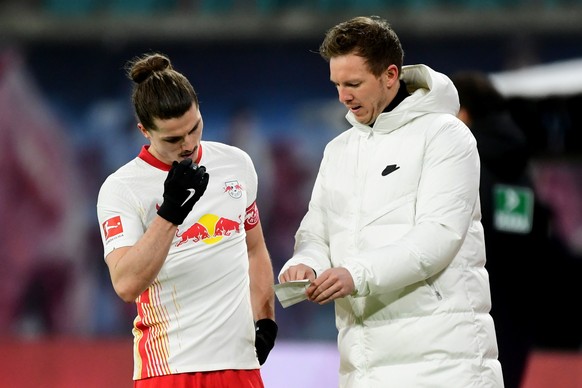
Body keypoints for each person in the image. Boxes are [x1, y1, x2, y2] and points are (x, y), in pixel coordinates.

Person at [278, 16, 504, 387]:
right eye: (336, 84)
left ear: (390, 75)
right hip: (363, 365)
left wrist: (355, 275)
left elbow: (438, 236)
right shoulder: (339, 150)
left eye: (353, 84)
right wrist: (306, 264)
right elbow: (316, 231)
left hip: (444, 363)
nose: (343, 97)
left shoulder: (445, 136)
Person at [96, 52, 277, 387]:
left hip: (239, 366)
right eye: (173, 139)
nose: (189, 144)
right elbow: (125, 284)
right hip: (168, 369)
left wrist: (265, 319)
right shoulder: (121, 189)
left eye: (195, 128)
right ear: (144, 131)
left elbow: (254, 249)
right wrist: (171, 212)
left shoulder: (236, 164)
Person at [451, 71, 577, 388]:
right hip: (516, 316)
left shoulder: (463, 164)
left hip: (464, 319)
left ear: (462, 114)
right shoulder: (517, 165)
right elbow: (527, 238)